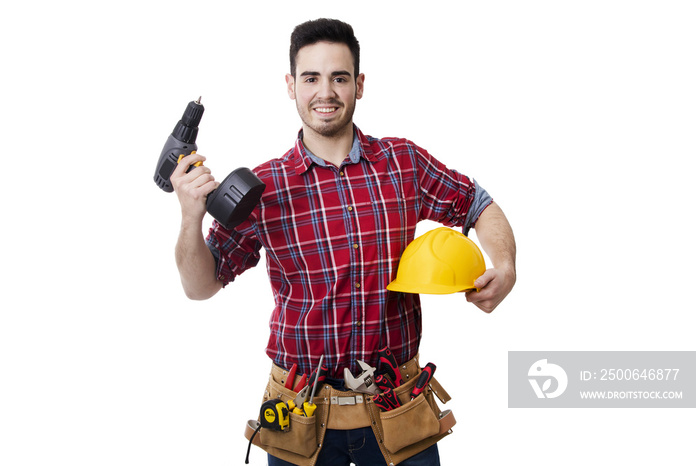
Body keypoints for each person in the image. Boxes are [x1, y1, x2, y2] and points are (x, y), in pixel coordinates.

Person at [170, 18, 516, 466]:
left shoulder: (402, 162)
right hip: (298, 413)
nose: (326, 92)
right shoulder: (264, 186)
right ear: (291, 86)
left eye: (339, 77)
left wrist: (504, 266)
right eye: (311, 78)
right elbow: (200, 285)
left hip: (398, 407)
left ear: (360, 84)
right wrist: (190, 217)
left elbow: (477, 204)